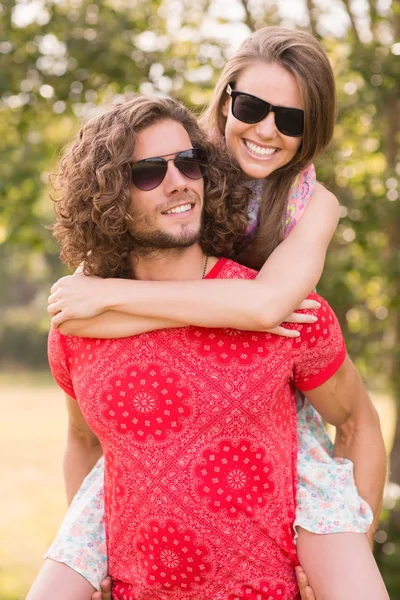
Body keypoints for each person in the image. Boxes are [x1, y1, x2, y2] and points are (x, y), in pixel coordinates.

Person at [33, 95, 387, 600]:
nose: (178, 181)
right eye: (148, 171)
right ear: (108, 196)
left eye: (188, 163)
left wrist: (352, 544)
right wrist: (94, 557)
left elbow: (356, 422)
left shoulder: (287, 312)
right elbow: (85, 442)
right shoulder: (81, 324)